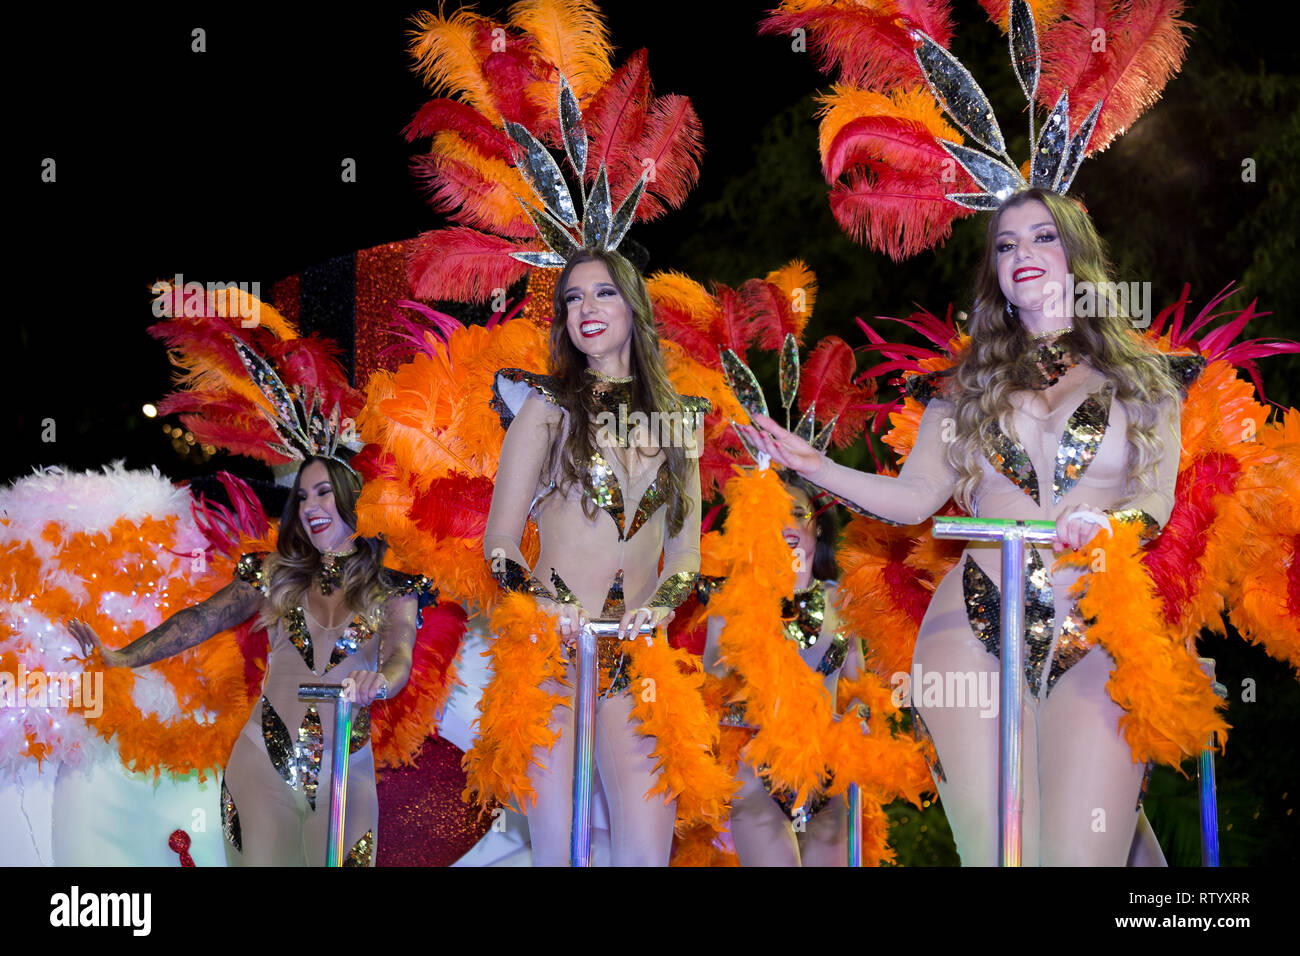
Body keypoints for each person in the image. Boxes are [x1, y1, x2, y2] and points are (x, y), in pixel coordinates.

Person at [741, 188, 1184, 866]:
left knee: (1080, 853)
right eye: (1006, 246)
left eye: (1041, 237)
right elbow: (915, 500)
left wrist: (1108, 521)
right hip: (969, 627)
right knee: (999, 854)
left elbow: (1153, 500)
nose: (1022, 254)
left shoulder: (1145, 381)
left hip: (1097, 622)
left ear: (1077, 255)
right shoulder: (964, 388)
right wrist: (818, 466)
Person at [69, 456, 429, 866]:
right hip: (262, 767)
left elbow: (399, 656)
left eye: (324, 493)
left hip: (346, 775)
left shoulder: (394, 589)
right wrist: (121, 657)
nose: (310, 506)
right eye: (303, 496)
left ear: (352, 501)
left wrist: (378, 683)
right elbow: (201, 619)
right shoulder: (274, 573)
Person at [482, 247, 704, 866]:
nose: (587, 308)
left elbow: (685, 550)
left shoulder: (681, 421)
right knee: (559, 851)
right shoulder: (546, 409)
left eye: (603, 292)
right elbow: (499, 543)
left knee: (646, 853)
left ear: (633, 306)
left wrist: (662, 603)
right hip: (550, 659)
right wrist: (542, 604)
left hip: (635, 662)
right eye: (573, 298)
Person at [701, 473, 862, 866]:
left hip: (828, 771)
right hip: (754, 772)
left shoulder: (845, 600)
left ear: (818, 524)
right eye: (774, 516)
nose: (787, 526)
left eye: (796, 512)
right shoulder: (732, 602)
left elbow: (861, 690)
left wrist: (860, 722)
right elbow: (711, 699)